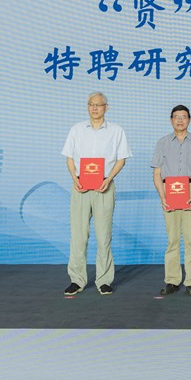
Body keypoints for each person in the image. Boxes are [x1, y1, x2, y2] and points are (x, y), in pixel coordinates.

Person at [61, 92, 131, 296]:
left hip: (104, 186)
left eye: (98, 105)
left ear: (106, 107)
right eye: (91, 104)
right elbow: (69, 158)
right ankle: (77, 280)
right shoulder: (76, 129)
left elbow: (121, 159)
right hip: (80, 187)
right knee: (78, 236)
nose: (94, 108)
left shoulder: (116, 130)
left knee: (103, 236)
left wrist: (109, 179)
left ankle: (104, 280)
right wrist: (75, 179)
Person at [151, 105, 191, 296]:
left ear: (189, 120)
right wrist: (163, 196)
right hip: (169, 191)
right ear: (171, 120)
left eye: (183, 117)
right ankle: (172, 280)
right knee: (173, 238)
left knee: (190, 237)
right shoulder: (162, 143)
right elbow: (157, 172)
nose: (180, 120)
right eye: (176, 117)